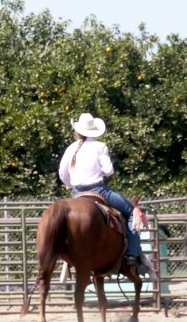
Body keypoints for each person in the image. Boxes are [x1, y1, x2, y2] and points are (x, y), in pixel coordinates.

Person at [58, 112, 151, 273]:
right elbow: (108, 171)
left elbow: (62, 174)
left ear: (78, 130)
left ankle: (67, 255)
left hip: (76, 193)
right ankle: (132, 254)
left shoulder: (71, 148)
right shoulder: (100, 146)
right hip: (98, 190)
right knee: (131, 212)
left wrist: (70, 185)